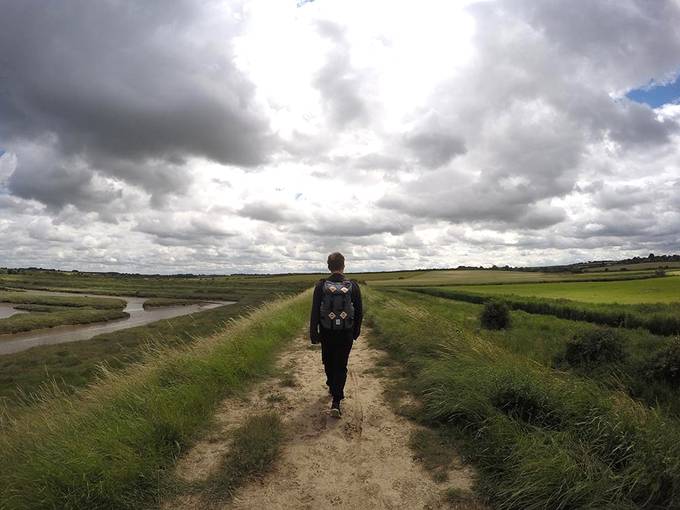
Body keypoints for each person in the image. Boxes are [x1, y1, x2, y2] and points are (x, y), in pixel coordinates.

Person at [309, 252, 363, 418]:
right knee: (341, 365)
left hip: (327, 331)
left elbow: (315, 311)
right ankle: (336, 402)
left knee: (328, 361)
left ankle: (332, 387)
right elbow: (360, 311)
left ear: (328, 266)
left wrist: (314, 333)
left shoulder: (321, 286)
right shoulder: (353, 286)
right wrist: (355, 332)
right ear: (343, 266)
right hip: (345, 332)